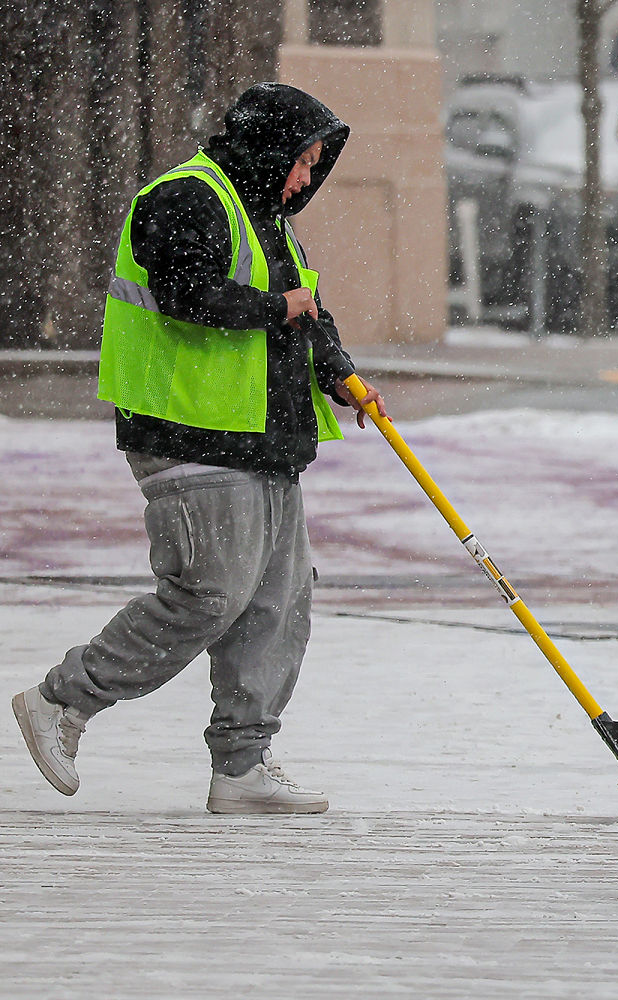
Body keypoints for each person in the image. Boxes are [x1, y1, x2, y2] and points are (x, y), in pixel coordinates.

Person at [10, 83, 386, 815]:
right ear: (269, 150)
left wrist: (340, 373)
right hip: (189, 432)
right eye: (301, 163)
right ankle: (62, 700)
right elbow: (188, 294)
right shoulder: (185, 197)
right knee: (210, 593)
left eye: (313, 166)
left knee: (277, 603)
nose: (305, 180)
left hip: (265, 440)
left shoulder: (267, 220)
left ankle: (242, 766)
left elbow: (305, 311)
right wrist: (277, 308)